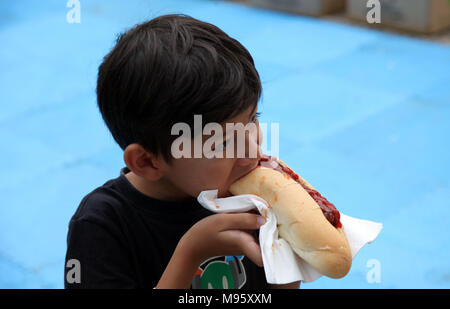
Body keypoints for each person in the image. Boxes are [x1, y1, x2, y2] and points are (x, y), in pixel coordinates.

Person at [64, 14, 300, 289]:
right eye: (222, 143)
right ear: (147, 162)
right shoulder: (101, 226)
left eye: (252, 120)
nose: (253, 152)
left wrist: (290, 250)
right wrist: (190, 254)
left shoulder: (251, 200)